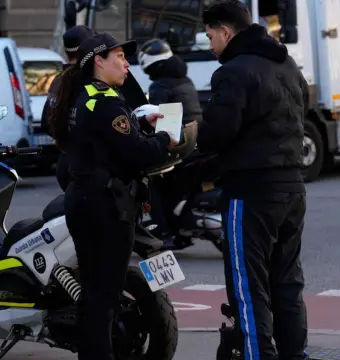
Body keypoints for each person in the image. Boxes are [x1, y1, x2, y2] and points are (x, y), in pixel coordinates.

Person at [47, 32, 177, 360]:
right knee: (103, 298)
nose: (126, 63)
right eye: (119, 57)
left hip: (85, 199)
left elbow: (107, 138)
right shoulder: (106, 101)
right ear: (99, 62)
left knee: (93, 294)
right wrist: (164, 137)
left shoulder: (83, 95)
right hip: (107, 207)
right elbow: (138, 152)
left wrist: (137, 122)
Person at [198, 1, 310, 360]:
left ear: (226, 32)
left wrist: (188, 137)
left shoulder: (233, 71)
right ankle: (295, 355)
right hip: (292, 186)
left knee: (249, 288)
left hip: (251, 190)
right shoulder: (286, 63)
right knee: (287, 283)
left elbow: (218, 132)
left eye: (210, 36)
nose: (210, 44)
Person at [137, 38, 204, 247]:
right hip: (196, 139)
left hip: (179, 142)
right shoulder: (184, 79)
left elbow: (160, 117)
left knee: (153, 181)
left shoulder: (160, 85)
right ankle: (180, 228)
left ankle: (162, 233)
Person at [41, 25, 95, 191]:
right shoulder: (88, 79)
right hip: (87, 165)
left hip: (65, 161)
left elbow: (46, 121)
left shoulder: (59, 80)